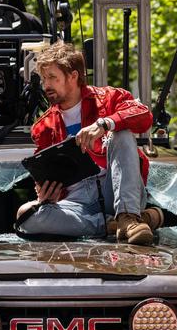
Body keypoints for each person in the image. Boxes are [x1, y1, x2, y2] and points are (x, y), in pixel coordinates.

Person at [15, 41, 166, 246]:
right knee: (26, 216)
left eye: (52, 77)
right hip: (77, 203)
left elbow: (144, 116)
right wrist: (46, 194)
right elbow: (49, 177)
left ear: (73, 76)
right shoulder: (43, 127)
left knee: (121, 134)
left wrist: (105, 124)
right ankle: (117, 224)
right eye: (43, 78)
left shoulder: (109, 97)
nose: (46, 85)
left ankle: (128, 217)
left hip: (115, 191)